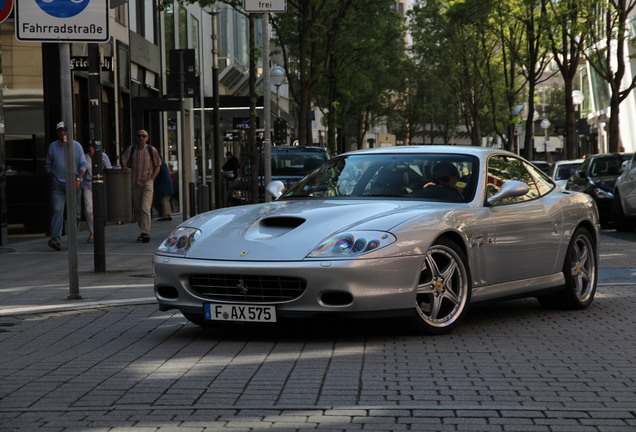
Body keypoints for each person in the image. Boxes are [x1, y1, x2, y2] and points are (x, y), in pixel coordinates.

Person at [44, 121, 88, 251]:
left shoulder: (76, 146)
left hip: (73, 183)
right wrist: (52, 177)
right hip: (58, 185)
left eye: (65, 130)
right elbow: (48, 164)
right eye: (60, 130)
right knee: (58, 209)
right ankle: (55, 239)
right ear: (57, 132)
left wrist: (78, 179)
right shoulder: (53, 147)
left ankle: (73, 238)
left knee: (75, 213)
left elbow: (83, 164)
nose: (63, 133)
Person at [121, 129, 161, 243]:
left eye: (144, 136)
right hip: (134, 183)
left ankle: (145, 232)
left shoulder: (151, 150)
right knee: (138, 209)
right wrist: (126, 175)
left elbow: (158, 165)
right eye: (139, 136)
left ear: (147, 138)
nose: (141, 138)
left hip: (147, 182)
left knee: (145, 208)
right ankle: (143, 230)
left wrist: (152, 178)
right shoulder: (131, 149)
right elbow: (124, 162)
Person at [82, 145, 112, 243]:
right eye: (90, 146)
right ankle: (92, 232)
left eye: (93, 146)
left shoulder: (103, 156)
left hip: (100, 184)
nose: (91, 148)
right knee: (88, 208)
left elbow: (109, 169)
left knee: (99, 209)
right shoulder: (85, 157)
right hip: (88, 183)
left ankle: (99, 229)